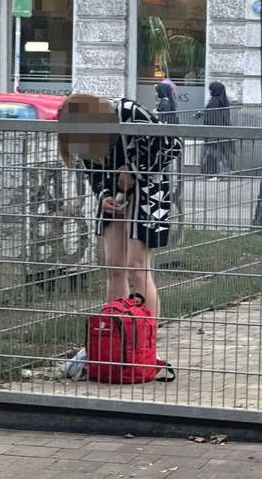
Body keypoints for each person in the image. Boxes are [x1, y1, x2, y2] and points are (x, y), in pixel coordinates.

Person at [56, 93, 180, 315]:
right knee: (114, 266)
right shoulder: (83, 135)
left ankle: (145, 343)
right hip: (116, 194)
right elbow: (92, 170)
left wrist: (135, 170)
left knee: (137, 268)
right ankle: (116, 335)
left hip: (147, 192)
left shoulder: (128, 112)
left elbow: (172, 143)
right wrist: (103, 196)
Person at [201, 81, 234, 176]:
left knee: (215, 154)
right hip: (221, 131)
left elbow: (211, 115)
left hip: (214, 132)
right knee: (219, 154)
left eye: (210, 90)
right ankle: (222, 172)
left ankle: (218, 173)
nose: (210, 92)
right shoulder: (223, 100)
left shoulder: (215, 101)